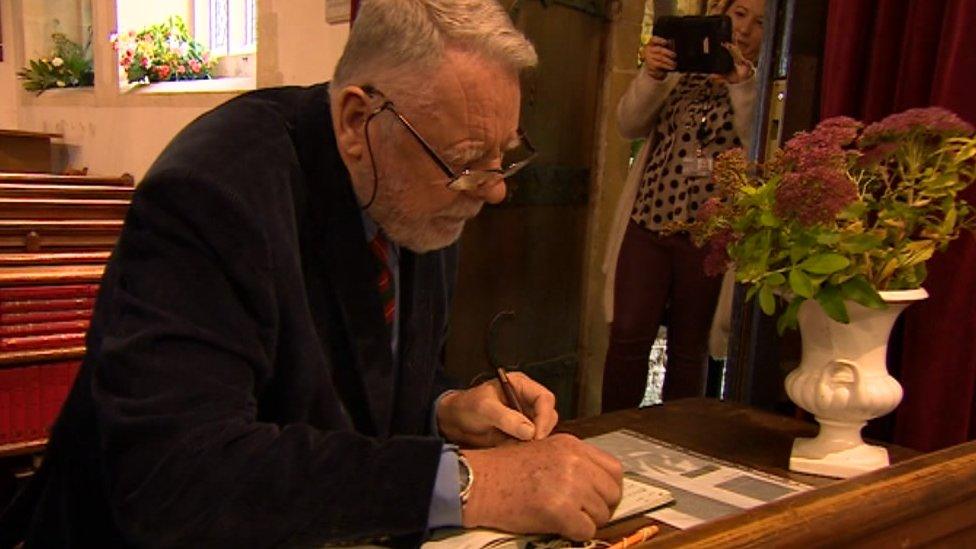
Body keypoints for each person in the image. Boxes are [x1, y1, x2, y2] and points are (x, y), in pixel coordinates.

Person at [0, 0, 623, 546]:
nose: (493, 192)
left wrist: (447, 404)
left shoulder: (420, 178)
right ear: (359, 121)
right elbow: (176, 474)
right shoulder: (212, 194)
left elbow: (360, 377)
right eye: (468, 162)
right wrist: (464, 482)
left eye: (502, 157)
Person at [601, 0, 765, 411]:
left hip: (709, 236)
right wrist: (652, 74)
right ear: (721, 13)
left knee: (688, 349)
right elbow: (628, 124)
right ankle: (609, 433)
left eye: (760, 23)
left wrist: (740, 83)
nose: (745, 29)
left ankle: (677, 440)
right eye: (740, 14)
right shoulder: (680, 75)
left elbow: (762, 153)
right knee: (627, 334)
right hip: (649, 220)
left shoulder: (766, 88)